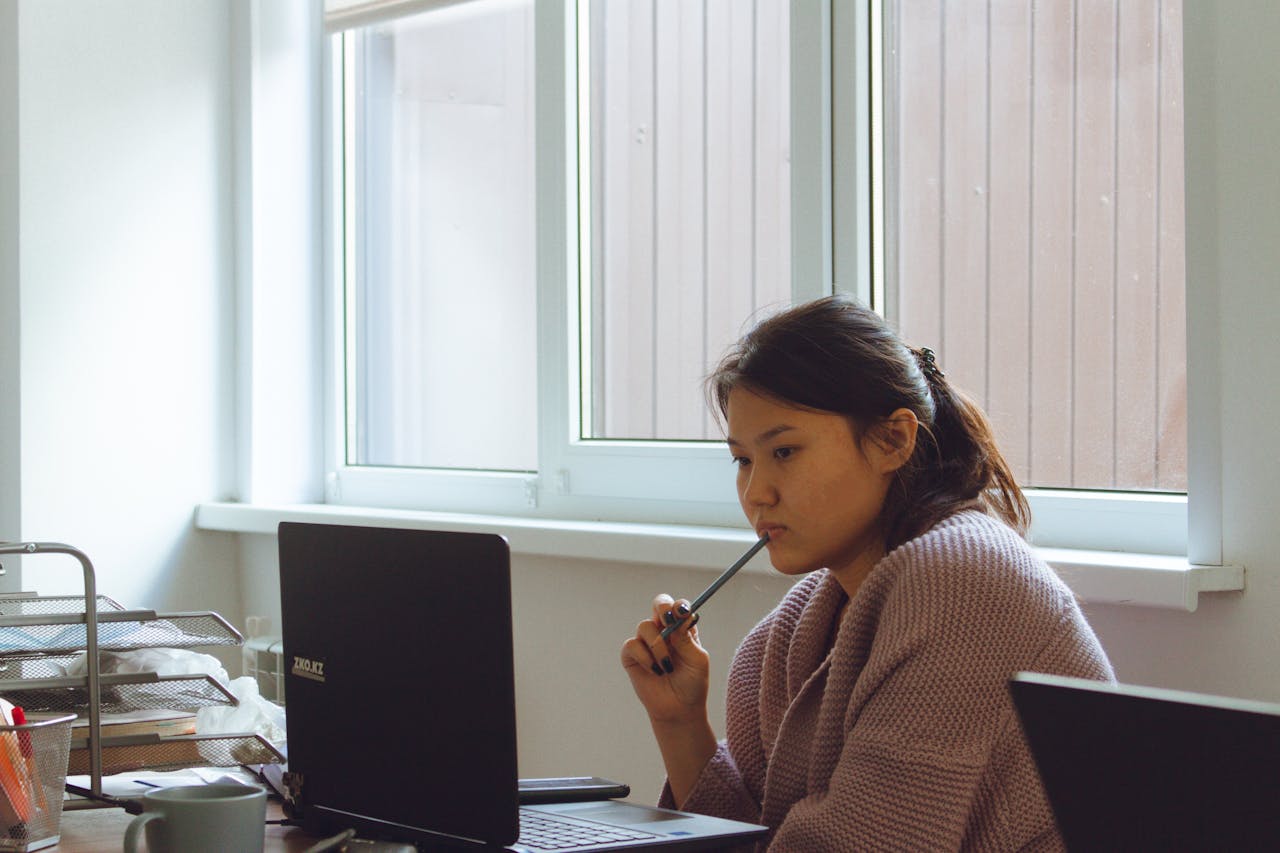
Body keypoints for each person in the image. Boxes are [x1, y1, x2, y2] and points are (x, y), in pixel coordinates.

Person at [620, 294, 1114, 851]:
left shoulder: (960, 584)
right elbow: (748, 841)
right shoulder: (797, 626)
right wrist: (680, 721)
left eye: (784, 451)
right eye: (743, 460)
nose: (757, 493)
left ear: (893, 441)